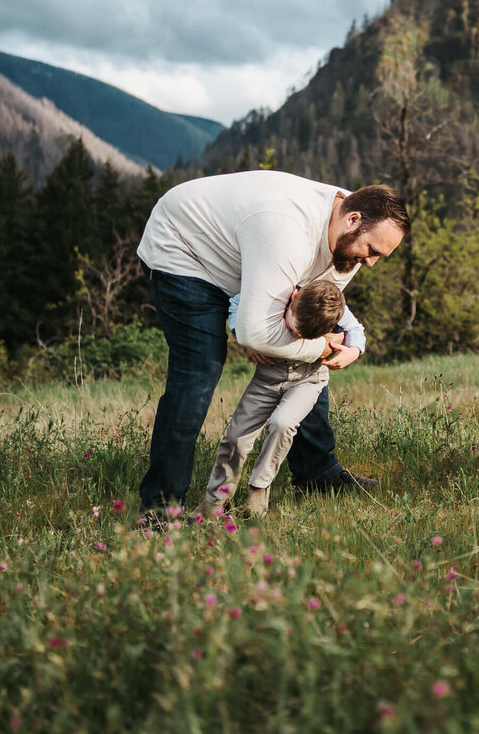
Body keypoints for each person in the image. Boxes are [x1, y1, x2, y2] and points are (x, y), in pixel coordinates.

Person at [134, 170, 407, 527]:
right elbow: (254, 335)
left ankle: (317, 473)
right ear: (353, 219)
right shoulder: (287, 229)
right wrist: (321, 351)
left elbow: (314, 323)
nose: (370, 262)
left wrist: (349, 346)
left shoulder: (345, 243)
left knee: (302, 361)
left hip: (246, 257)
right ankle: (160, 509)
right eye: (371, 250)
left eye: (379, 256)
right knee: (200, 368)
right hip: (184, 250)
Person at [199, 280, 365, 519]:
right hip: (268, 378)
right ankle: (216, 499)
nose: (296, 336)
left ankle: (259, 488)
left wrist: (353, 351)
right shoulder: (276, 292)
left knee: (282, 423)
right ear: (294, 299)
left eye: (304, 335)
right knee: (236, 437)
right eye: (293, 328)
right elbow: (237, 302)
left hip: (308, 379)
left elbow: (356, 331)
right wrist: (243, 335)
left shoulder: (335, 308)